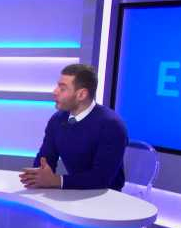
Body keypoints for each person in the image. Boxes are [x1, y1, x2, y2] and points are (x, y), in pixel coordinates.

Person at [20, 63, 127, 191]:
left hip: (107, 196)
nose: (55, 92)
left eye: (62, 88)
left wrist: (57, 181)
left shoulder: (111, 125)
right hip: (73, 191)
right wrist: (37, 176)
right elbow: (45, 159)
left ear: (81, 94)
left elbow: (101, 178)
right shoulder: (57, 120)